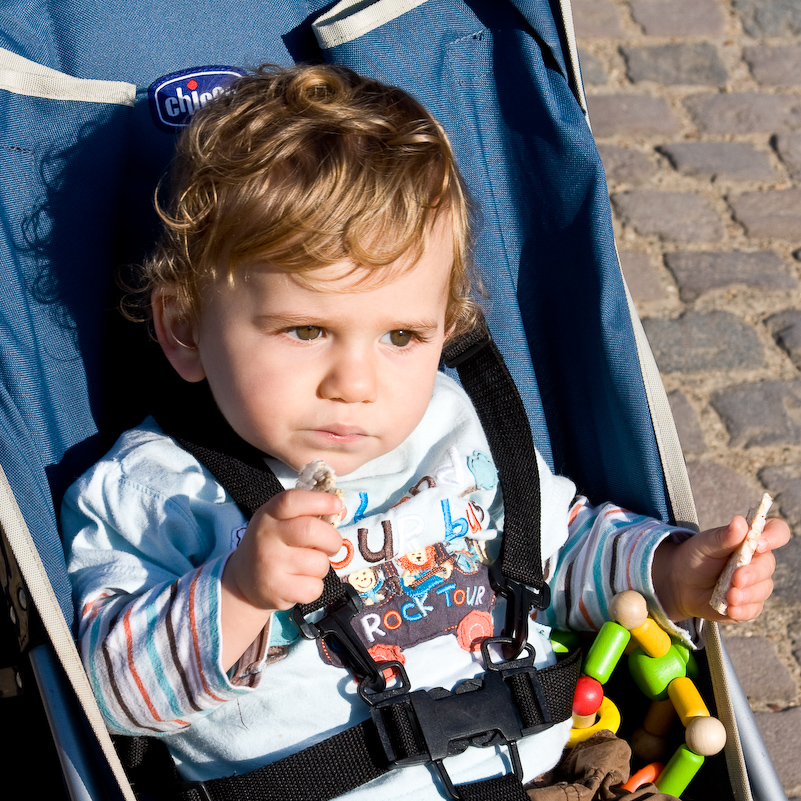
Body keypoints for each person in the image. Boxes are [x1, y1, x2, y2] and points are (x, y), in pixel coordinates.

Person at [62, 64, 788, 799]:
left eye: (402, 336)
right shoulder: (150, 490)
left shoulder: (454, 426)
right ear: (184, 329)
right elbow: (115, 698)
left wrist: (669, 570)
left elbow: (559, 549)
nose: (357, 381)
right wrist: (240, 594)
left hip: (540, 777)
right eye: (307, 329)